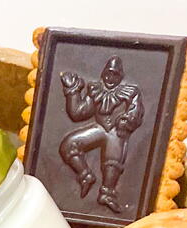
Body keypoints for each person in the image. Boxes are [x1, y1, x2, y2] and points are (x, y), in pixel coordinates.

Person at [58, 56, 143, 213]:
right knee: (69, 145)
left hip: (116, 132)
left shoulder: (130, 92)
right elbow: (78, 113)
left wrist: (126, 120)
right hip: (100, 128)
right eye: (108, 74)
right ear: (103, 74)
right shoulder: (96, 90)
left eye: (115, 75)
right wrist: (73, 91)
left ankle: (107, 193)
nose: (110, 79)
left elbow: (135, 112)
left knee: (112, 160)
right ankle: (85, 175)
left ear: (121, 76)